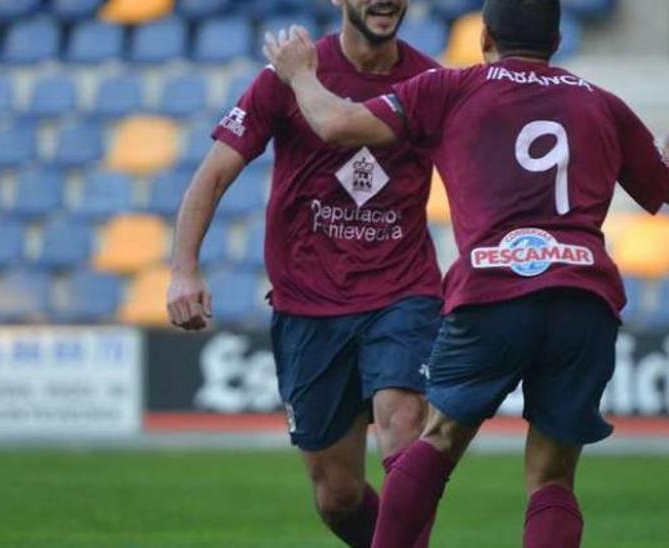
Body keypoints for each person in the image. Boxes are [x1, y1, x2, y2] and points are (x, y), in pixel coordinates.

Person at [262, 0, 669, 545]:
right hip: (582, 297)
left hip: (493, 291)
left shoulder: (452, 87)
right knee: (552, 479)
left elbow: (334, 123)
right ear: (558, 41)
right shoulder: (602, 105)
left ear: (485, 37)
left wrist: (302, 75)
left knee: (437, 444)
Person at [165, 1, 443, 546]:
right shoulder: (287, 76)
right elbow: (215, 173)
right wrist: (183, 270)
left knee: (404, 432)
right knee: (337, 495)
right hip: (310, 307)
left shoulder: (432, 81)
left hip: (402, 292)